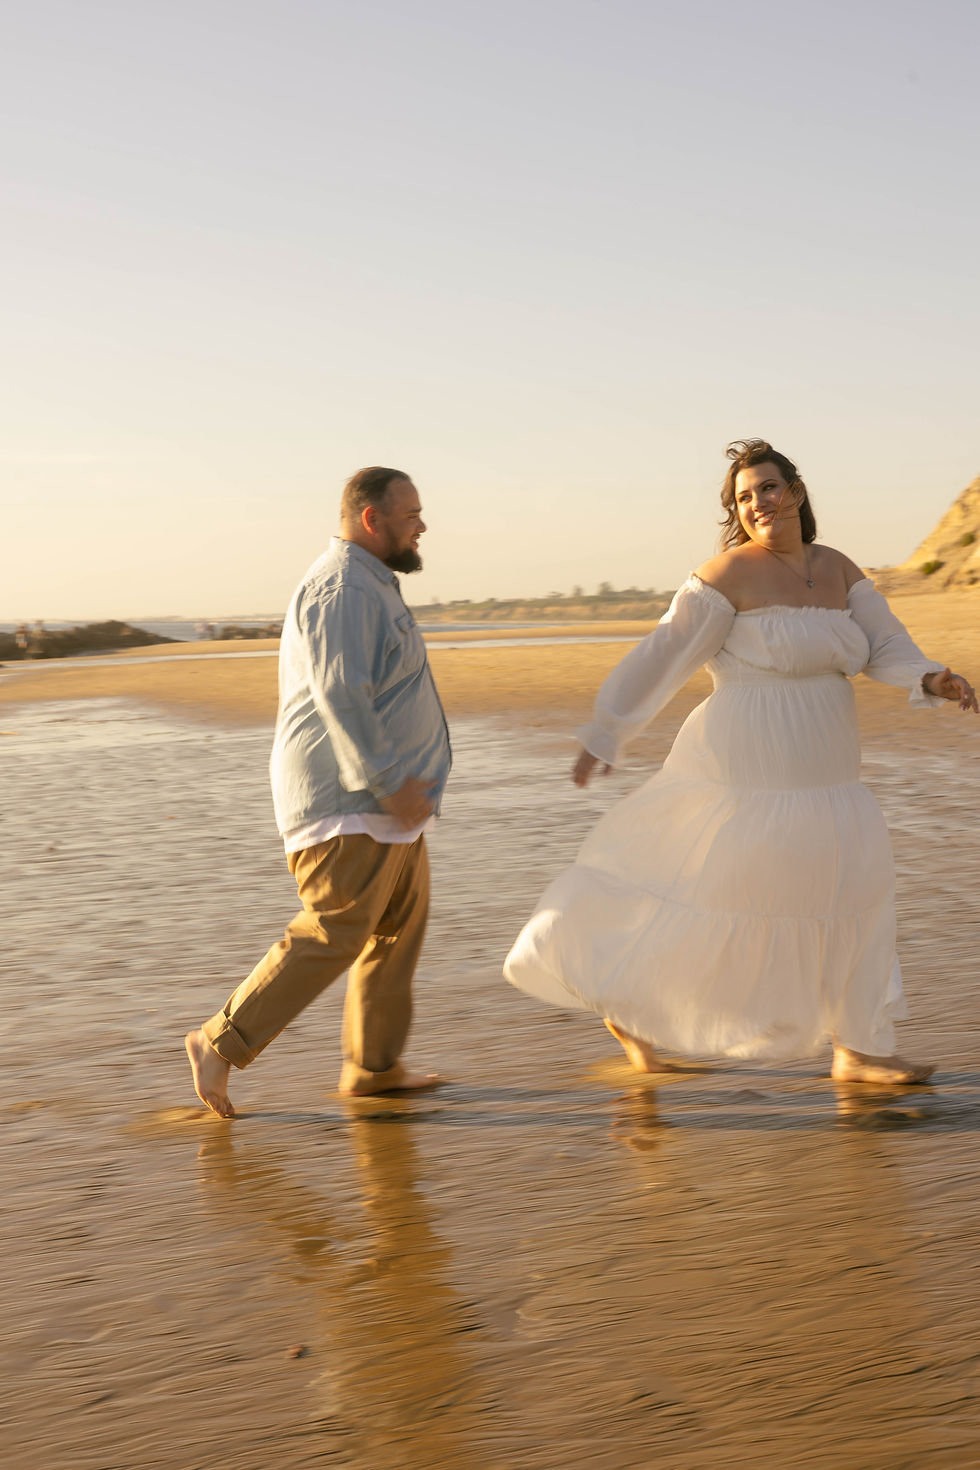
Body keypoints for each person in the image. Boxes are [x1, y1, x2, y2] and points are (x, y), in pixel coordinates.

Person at [505, 440, 977, 1085]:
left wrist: (931, 678)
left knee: (851, 893)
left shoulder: (838, 568)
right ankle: (631, 1008)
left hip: (828, 767)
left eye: (769, 488)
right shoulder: (725, 574)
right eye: (744, 496)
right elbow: (663, 654)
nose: (758, 503)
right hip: (747, 765)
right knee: (717, 895)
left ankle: (859, 1049)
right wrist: (607, 731)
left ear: (798, 492)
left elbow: (885, 644)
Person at [186, 467, 452, 1117]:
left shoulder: (371, 584)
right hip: (350, 801)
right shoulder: (343, 588)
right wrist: (389, 783)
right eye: (411, 513)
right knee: (335, 929)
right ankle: (218, 1041)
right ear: (371, 519)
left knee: (395, 932)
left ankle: (373, 1067)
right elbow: (340, 694)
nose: (422, 524)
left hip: (385, 807)